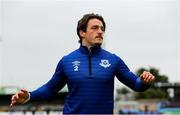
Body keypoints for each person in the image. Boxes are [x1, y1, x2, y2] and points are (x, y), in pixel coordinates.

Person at [10, 13, 155, 114]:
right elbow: (50, 89)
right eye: (95, 28)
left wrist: (144, 81)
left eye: (102, 29)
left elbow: (136, 85)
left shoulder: (114, 60)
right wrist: (29, 96)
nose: (100, 32)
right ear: (82, 33)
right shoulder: (67, 61)